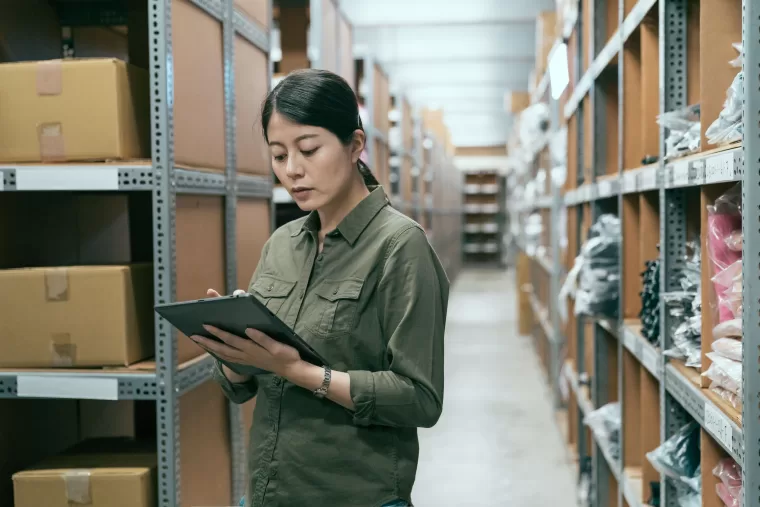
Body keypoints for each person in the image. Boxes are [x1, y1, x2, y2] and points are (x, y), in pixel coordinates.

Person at [191, 68, 450, 507]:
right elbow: (240, 387)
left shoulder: (400, 247)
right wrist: (235, 352)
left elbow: (420, 399)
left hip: (356, 495)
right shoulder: (282, 244)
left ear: (354, 145)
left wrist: (298, 371)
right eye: (278, 155)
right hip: (272, 491)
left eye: (308, 149)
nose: (292, 170)